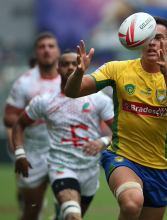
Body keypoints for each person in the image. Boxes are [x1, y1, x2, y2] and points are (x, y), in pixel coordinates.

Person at [64, 16, 167, 220]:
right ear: (140, 41)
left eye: (158, 38)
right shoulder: (118, 69)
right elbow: (73, 91)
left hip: (159, 166)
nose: (152, 42)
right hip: (122, 157)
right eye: (148, 37)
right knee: (132, 201)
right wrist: (79, 72)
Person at [12, 49, 114, 220]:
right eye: (65, 64)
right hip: (61, 166)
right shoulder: (44, 100)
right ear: (57, 69)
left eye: (75, 63)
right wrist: (20, 153)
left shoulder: (99, 99)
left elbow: (121, 131)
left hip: (90, 169)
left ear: (83, 66)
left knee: (66, 217)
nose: (70, 67)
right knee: (73, 217)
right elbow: (19, 124)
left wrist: (102, 141)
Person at [4, 31, 61, 220]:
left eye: (51, 46)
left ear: (58, 51)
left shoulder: (68, 79)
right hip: (33, 153)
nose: (46, 50)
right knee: (32, 209)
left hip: (63, 151)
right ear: (35, 52)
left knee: (70, 207)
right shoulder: (25, 82)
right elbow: (8, 117)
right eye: (42, 47)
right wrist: (27, 117)